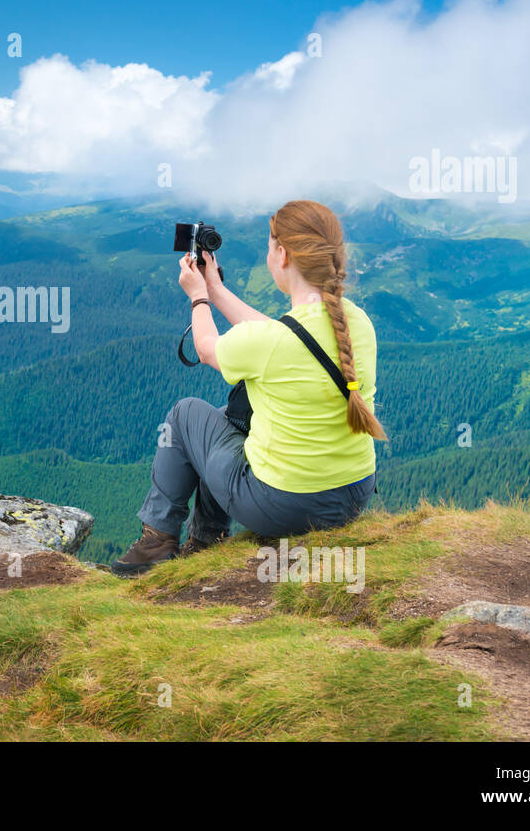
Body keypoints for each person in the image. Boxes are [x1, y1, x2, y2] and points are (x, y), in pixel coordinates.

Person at [112, 200, 386, 576]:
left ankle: (158, 541)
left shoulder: (272, 342)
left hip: (286, 506)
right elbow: (287, 337)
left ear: (283, 254)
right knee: (227, 418)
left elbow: (207, 349)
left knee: (186, 414)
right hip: (352, 495)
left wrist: (198, 297)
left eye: (270, 246)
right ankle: (205, 541)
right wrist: (216, 290)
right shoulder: (358, 323)